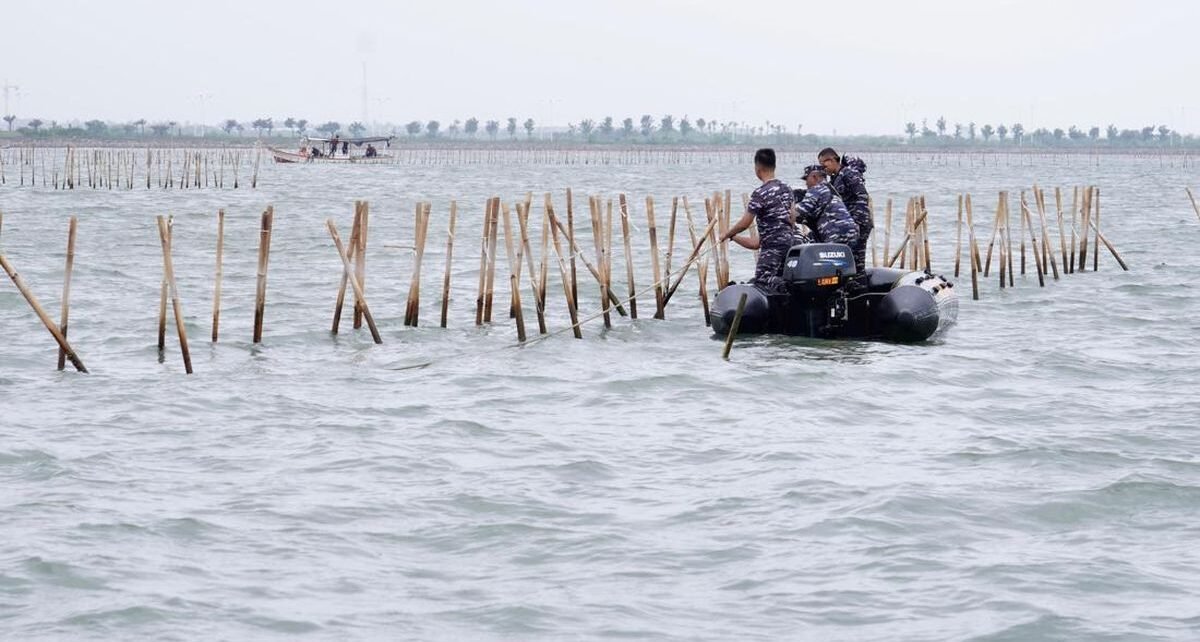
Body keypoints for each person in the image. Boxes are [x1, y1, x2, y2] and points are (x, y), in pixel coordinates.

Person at [720, 148, 796, 293]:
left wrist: (727, 233)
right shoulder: (787, 188)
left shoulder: (760, 193)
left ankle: (788, 287)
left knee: (762, 279)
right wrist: (733, 237)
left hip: (772, 247)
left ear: (758, 168)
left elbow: (745, 223)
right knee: (780, 277)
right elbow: (793, 217)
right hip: (789, 243)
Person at [818, 148, 871, 271]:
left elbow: (862, 196)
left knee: (856, 262)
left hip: (858, 224)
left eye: (823, 164)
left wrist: (856, 222)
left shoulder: (848, 173)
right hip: (847, 226)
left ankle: (859, 288)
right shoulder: (835, 179)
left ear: (831, 160)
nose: (822, 169)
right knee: (847, 261)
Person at [794, 165, 859, 254]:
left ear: (814, 177)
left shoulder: (817, 189)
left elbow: (800, 211)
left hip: (835, 233)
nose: (806, 183)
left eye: (806, 179)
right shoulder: (832, 190)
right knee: (843, 264)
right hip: (851, 233)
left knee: (828, 264)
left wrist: (781, 213)